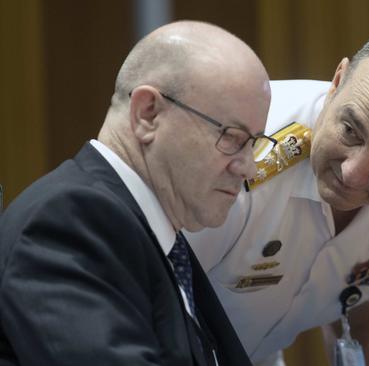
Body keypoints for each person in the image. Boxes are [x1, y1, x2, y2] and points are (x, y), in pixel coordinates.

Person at [188, 21, 369, 365]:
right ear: (338, 82)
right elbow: (146, 300)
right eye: (351, 131)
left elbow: (363, 316)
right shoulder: (237, 147)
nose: (352, 173)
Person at [0, 20, 274, 366]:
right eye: (232, 137)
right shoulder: (68, 221)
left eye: (254, 144)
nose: (248, 167)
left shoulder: (157, 238)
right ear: (148, 113)